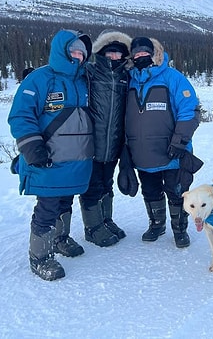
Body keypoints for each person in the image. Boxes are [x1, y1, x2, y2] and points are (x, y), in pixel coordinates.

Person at [8, 29, 94, 281]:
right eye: (74, 51)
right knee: (47, 206)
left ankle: (60, 239)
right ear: (61, 51)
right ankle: (40, 257)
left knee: (65, 200)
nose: (78, 56)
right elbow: (21, 115)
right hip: (48, 157)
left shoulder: (84, 80)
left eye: (82, 52)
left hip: (77, 158)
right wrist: (32, 147)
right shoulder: (39, 79)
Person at [123, 36, 200, 248]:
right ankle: (157, 224)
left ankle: (179, 229)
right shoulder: (128, 79)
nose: (140, 57)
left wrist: (179, 141)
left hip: (172, 151)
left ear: (154, 53)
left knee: (176, 192)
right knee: (150, 191)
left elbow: (190, 110)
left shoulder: (172, 78)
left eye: (144, 53)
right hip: (141, 152)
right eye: (136, 54)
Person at [79, 30, 133, 247]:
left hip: (114, 142)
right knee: (92, 186)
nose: (114, 58)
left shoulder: (125, 77)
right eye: (110, 54)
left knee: (107, 183)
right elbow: (66, 77)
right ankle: (92, 228)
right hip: (91, 142)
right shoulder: (89, 72)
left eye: (118, 55)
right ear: (101, 53)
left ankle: (105, 220)